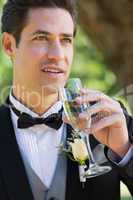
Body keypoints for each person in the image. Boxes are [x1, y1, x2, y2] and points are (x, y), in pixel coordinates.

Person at [0, 0, 133, 200]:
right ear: (9, 45)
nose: (57, 54)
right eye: (41, 38)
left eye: (66, 40)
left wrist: (125, 151)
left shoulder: (111, 121)